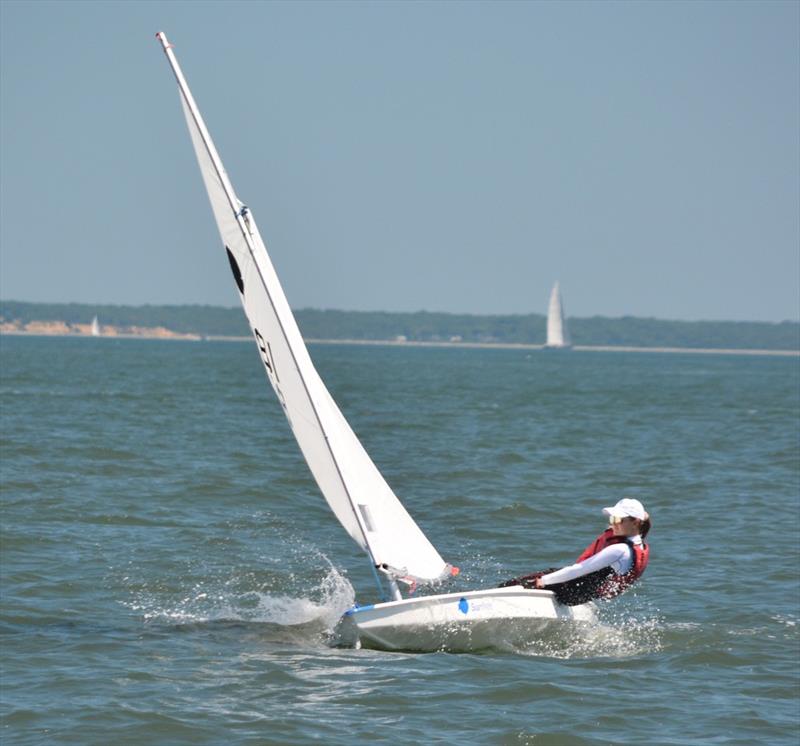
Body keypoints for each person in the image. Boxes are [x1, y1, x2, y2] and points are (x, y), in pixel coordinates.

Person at [500, 498, 650, 606]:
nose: (613, 523)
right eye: (612, 518)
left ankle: (493, 601)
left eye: (618, 519)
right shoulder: (638, 544)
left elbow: (579, 570)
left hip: (570, 591)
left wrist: (543, 581)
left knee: (518, 583)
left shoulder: (619, 550)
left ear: (635, 522)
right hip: (582, 595)